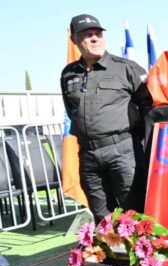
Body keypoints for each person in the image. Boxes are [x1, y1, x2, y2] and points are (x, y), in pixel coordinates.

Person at [61, 14, 153, 224]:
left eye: (98, 34)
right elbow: (71, 110)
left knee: (134, 215)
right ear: (75, 40)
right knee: (102, 218)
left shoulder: (126, 68)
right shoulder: (68, 74)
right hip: (88, 155)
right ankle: (108, 247)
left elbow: (149, 106)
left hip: (123, 151)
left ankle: (139, 247)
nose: (95, 39)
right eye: (88, 35)